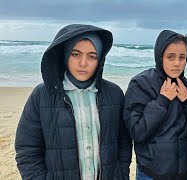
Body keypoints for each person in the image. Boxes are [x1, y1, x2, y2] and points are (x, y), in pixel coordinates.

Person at [15, 24, 132, 180]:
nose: (83, 63)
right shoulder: (41, 95)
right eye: (75, 54)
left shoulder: (115, 94)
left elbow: (123, 143)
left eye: (92, 56)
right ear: (65, 54)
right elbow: (27, 150)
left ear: (100, 59)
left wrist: (120, 175)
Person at [123, 30, 187, 180]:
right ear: (160, 56)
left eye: (182, 57)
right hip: (150, 174)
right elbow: (137, 132)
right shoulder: (140, 84)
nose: (177, 63)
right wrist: (162, 100)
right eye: (171, 57)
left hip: (186, 174)